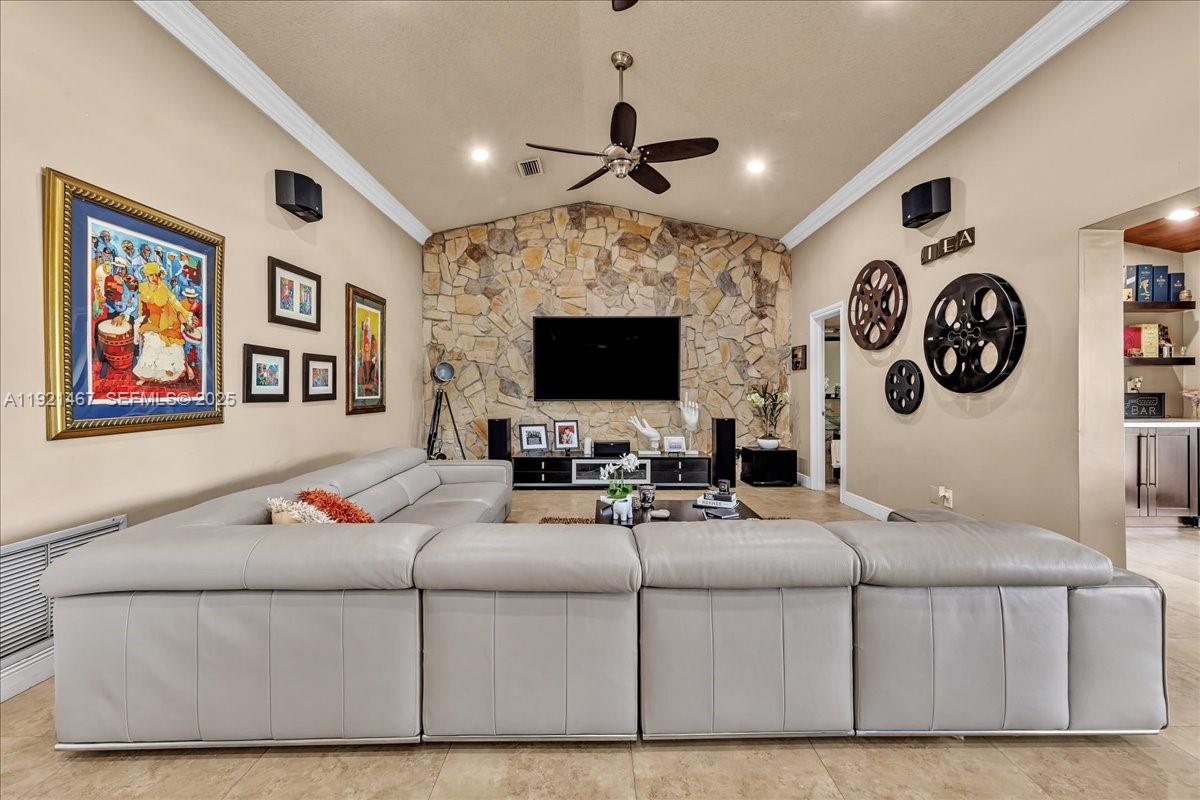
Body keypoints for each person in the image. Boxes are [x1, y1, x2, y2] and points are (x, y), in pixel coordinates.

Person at [131, 262, 194, 384]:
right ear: (147, 276)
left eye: (156, 275)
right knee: (153, 343)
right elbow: (141, 310)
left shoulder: (164, 289)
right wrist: (142, 323)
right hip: (151, 323)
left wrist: (186, 322)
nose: (154, 278)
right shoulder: (143, 288)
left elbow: (176, 304)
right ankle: (146, 375)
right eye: (151, 275)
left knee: (173, 346)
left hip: (166, 322)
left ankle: (173, 369)